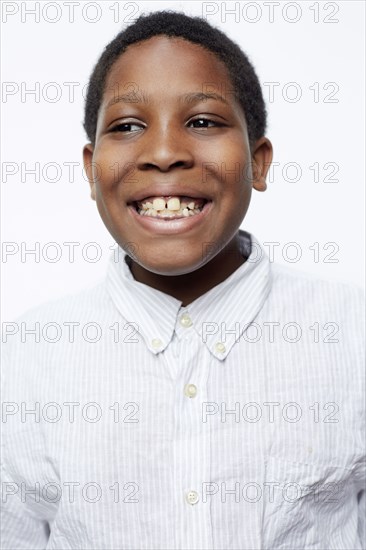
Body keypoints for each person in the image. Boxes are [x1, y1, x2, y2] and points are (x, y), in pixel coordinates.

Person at [1, 10, 364, 550]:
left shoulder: (352, 335)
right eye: (126, 127)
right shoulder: (24, 359)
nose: (165, 152)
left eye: (202, 122)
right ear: (90, 169)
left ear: (258, 163)